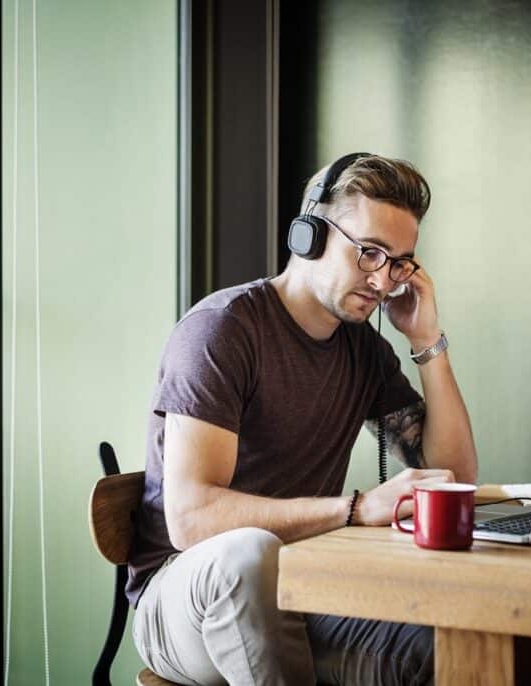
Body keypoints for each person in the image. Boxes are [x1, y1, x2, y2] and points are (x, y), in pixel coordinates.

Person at [126, 153, 478, 686]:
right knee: (246, 555)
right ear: (308, 234)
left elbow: (452, 478)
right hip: (183, 594)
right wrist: (356, 509)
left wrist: (427, 342)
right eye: (369, 253)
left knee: (447, 655)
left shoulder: (363, 351)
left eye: (400, 262)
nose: (384, 281)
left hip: (302, 582)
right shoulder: (222, 332)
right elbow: (191, 519)